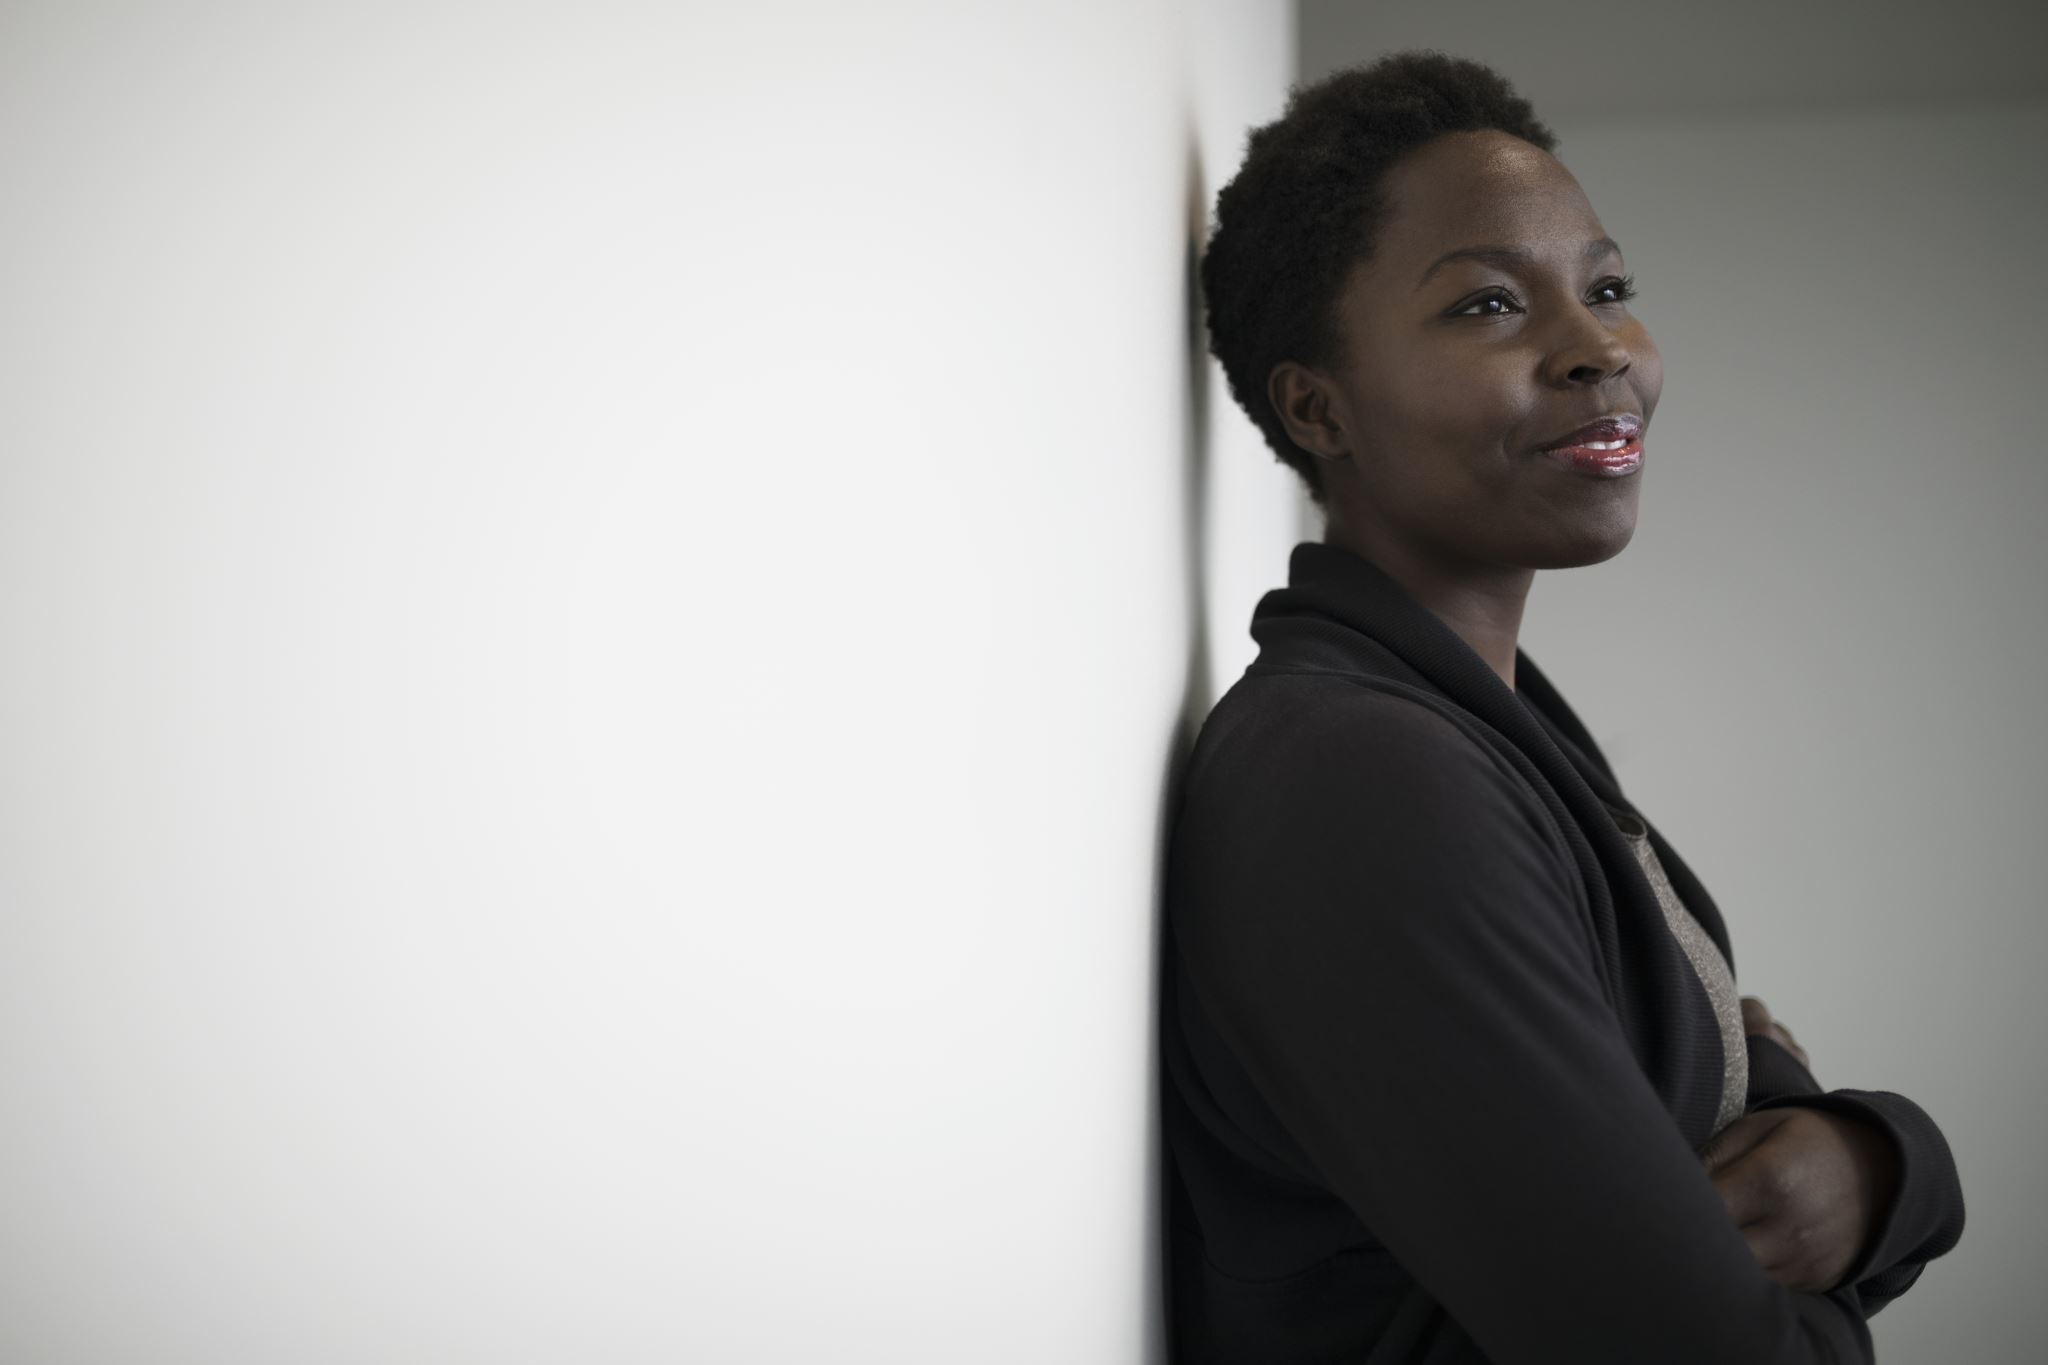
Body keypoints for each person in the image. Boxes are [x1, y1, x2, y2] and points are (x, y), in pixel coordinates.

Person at [1161, 50, 1966, 1363]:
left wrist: (1871, 1160)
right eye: (1486, 302)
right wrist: (1906, 1176)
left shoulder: (1491, 730)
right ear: (1320, 407)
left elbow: (1712, 1121)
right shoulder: (1361, 775)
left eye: (1607, 288)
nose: (1598, 349)